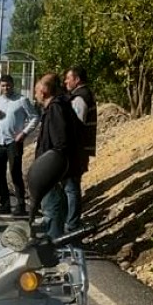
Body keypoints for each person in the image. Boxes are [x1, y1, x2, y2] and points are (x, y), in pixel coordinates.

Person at [33, 72, 85, 240]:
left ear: (44, 90)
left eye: (36, 90)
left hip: (52, 172)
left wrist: (49, 168)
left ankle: (54, 245)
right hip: (55, 169)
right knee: (55, 206)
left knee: (52, 207)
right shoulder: (59, 106)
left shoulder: (56, 108)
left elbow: (60, 143)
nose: (35, 94)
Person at [0, 73, 40, 217]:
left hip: (13, 142)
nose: (6, 88)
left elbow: (35, 117)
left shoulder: (21, 100)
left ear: (13, 85)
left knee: (15, 173)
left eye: (8, 85)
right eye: (3, 86)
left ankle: (20, 205)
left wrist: (23, 133)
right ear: (0, 87)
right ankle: (4, 204)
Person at [63, 66, 97, 232]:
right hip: (79, 150)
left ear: (77, 79)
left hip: (76, 151)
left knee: (71, 187)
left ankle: (72, 223)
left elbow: (76, 125)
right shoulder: (83, 95)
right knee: (71, 186)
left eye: (68, 78)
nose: (65, 82)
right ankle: (70, 220)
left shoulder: (80, 98)